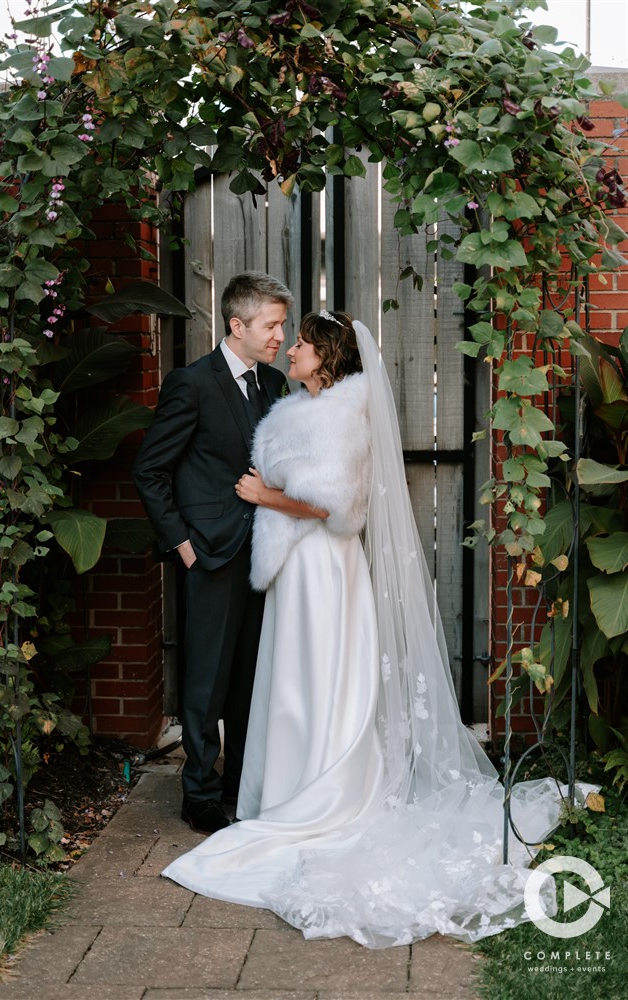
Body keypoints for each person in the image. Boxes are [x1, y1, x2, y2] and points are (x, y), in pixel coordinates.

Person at [161, 310, 594, 946]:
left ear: (327, 357)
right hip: (293, 567)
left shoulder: (342, 414)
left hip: (322, 570)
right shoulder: (292, 405)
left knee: (318, 681)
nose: (293, 349)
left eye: (302, 342)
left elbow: (335, 505)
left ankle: (319, 793)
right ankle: (281, 791)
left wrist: (263, 498)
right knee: (289, 684)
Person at [132, 271, 294, 835]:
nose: (279, 335)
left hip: (266, 555)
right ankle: (198, 793)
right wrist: (183, 546)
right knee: (205, 682)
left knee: (252, 678)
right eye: (271, 325)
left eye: (281, 325)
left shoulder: (275, 384)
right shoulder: (192, 383)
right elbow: (150, 470)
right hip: (210, 554)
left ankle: (241, 783)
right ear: (237, 325)